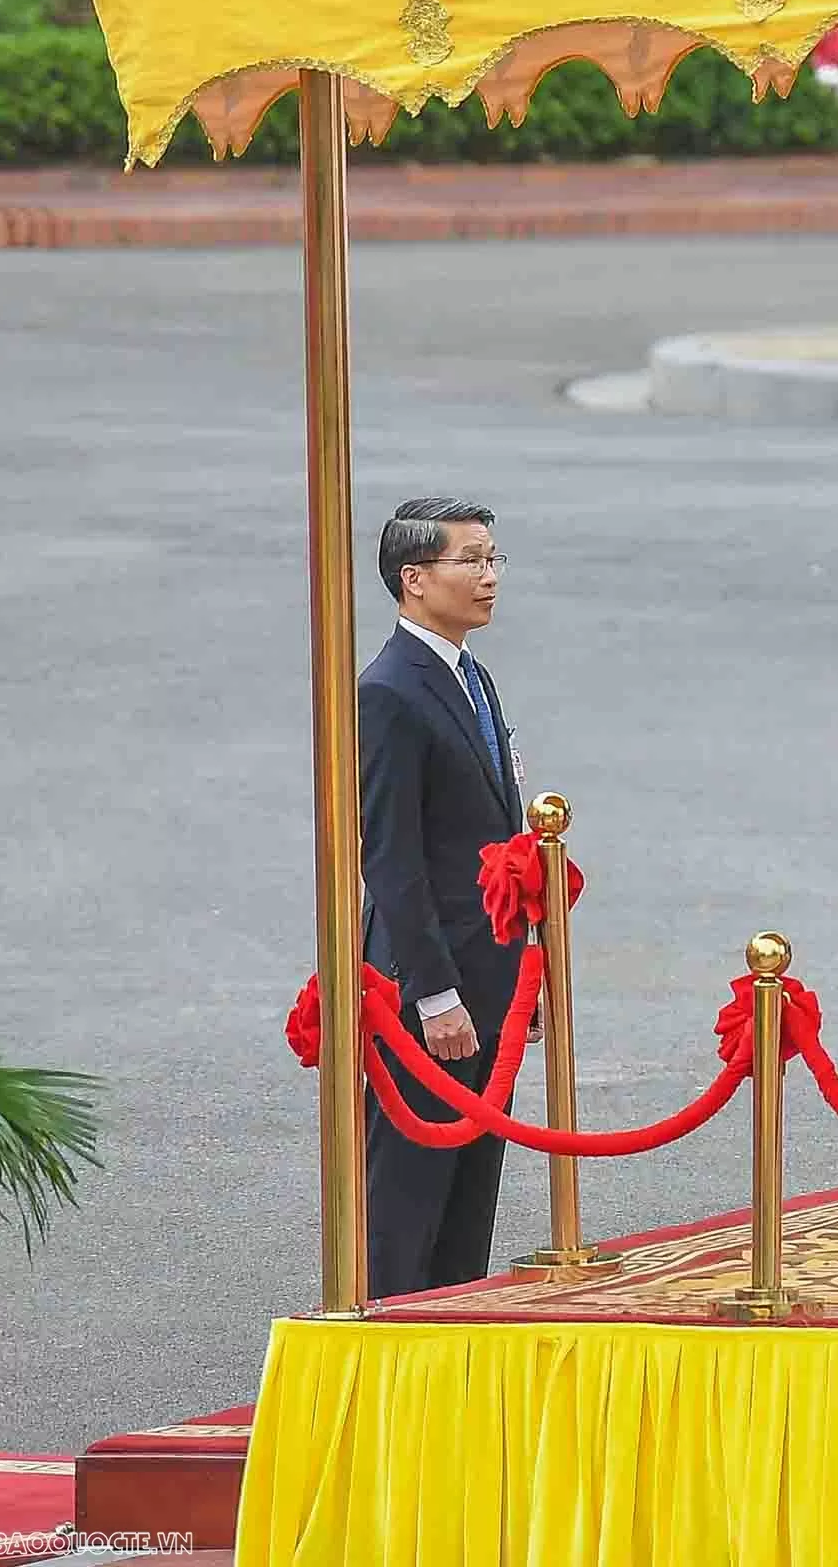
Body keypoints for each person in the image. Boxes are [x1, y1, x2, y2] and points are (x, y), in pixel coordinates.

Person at [359, 498, 529, 1299]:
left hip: (488, 975)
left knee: (468, 1197)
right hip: (430, 991)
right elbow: (391, 856)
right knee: (409, 1193)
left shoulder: (470, 673)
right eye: (471, 560)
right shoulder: (389, 691)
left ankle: (453, 1334)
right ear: (415, 578)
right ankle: (388, 1340)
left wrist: (523, 971)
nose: (489, 576)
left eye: (493, 558)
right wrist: (433, 993)